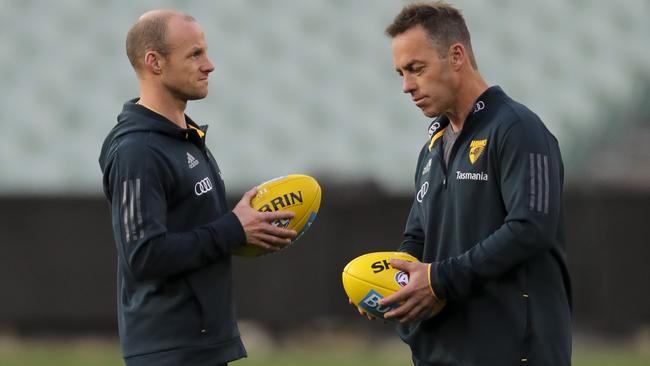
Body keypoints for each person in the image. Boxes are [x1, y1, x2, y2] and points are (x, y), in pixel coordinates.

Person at [362, 2, 572, 365]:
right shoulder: (433, 145)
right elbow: (417, 237)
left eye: (416, 69)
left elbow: (531, 228)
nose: (407, 86)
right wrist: (392, 286)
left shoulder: (518, 129)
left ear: (456, 56)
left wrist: (439, 280)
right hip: (443, 352)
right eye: (400, 73)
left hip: (514, 352)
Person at [98, 10, 296, 366]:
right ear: (154, 63)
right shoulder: (138, 151)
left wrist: (245, 231)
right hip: (169, 350)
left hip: (198, 345)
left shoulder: (184, 137)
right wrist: (232, 229)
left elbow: (197, 231)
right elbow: (143, 254)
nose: (210, 65)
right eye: (195, 54)